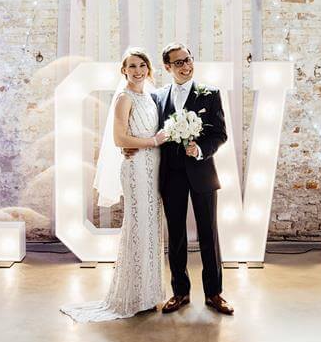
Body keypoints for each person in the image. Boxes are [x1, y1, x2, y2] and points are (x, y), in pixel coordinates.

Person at [60, 48, 167, 323]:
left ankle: (149, 293)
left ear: (149, 68)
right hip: (135, 169)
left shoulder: (152, 97)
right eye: (132, 66)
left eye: (142, 65)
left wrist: (153, 144)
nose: (138, 70)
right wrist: (153, 141)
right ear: (124, 71)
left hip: (154, 167)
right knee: (137, 225)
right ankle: (130, 295)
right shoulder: (124, 98)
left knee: (152, 226)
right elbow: (121, 139)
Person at [152, 42, 234, 315]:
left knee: (208, 234)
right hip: (171, 175)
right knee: (175, 235)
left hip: (202, 173)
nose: (186, 66)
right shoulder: (159, 96)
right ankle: (180, 293)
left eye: (188, 60)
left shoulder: (210, 94)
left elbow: (220, 134)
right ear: (167, 67)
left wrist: (199, 149)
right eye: (178, 63)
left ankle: (214, 294)